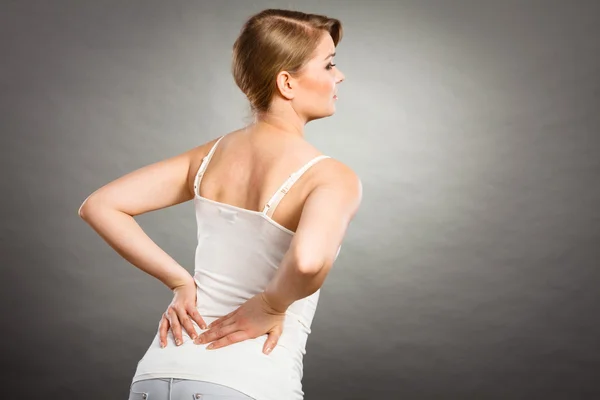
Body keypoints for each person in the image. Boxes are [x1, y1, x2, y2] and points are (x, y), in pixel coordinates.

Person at [78, 8, 362, 400]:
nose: (339, 75)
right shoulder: (331, 177)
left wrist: (179, 281)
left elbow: (99, 205)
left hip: (157, 373)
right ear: (287, 83)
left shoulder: (208, 157)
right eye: (329, 65)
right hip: (248, 381)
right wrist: (270, 305)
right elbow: (308, 261)